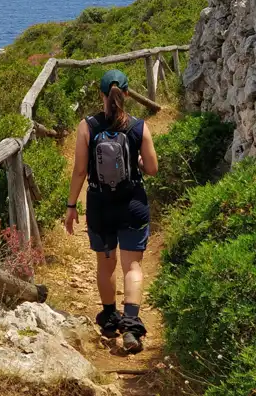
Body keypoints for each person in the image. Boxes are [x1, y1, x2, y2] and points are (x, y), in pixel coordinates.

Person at [65, 69, 159, 354]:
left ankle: (109, 320)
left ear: (102, 95)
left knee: (106, 265)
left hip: (100, 207)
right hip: (133, 206)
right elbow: (152, 169)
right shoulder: (139, 126)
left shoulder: (87, 126)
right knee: (132, 266)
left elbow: (80, 171)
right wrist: (140, 163)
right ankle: (131, 327)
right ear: (127, 94)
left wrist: (71, 207)